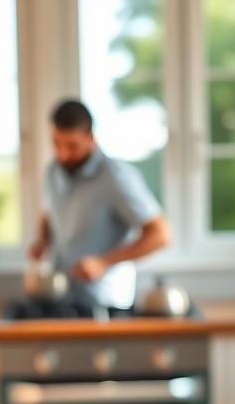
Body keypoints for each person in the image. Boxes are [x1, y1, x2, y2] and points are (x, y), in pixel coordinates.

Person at [28, 99, 171, 311]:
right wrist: (42, 239)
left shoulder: (117, 178)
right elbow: (49, 210)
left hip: (106, 303)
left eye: (72, 146)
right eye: (56, 144)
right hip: (61, 297)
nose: (63, 154)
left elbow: (160, 235)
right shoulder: (52, 171)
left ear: (91, 139)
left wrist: (103, 262)